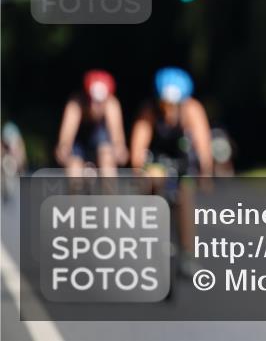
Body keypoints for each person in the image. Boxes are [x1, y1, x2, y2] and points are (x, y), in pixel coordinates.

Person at [130, 67, 214, 273]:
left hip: (182, 157)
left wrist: (205, 173)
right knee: (152, 183)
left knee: (185, 196)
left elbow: (203, 145)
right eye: (164, 104)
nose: (168, 110)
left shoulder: (192, 109)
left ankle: (187, 253)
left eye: (173, 105)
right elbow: (139, 145)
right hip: (157, 157)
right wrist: (138, 169)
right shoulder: (149, 111)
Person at [54, 70, 128, 177]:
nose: (95, 105)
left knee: (107, 159)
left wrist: (119, 153)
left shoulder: (112, 105)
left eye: (100, 101)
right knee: (74, 168)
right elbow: (65, 141)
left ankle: (110, 193)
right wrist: (64, 154)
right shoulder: (75, 105)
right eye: (92, 100)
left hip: (101, 144)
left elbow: (118, 141)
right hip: (78, 146)